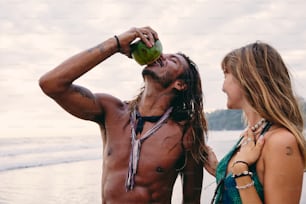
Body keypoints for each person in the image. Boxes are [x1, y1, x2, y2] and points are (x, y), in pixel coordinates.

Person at [39, 26, 208, 203]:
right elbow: (51, 84)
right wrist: (116, 44)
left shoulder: (186, 131)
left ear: (180, 84)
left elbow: (192, 201)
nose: (161, 55)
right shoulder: (111, 111)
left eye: (173, 60)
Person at [205, 41, 306, 203]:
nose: (222, 87)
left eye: (226, 75)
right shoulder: (252, 135)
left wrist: (240, 171)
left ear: (246, 78)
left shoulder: (281, 142)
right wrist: (219, 169)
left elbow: (243, 175)